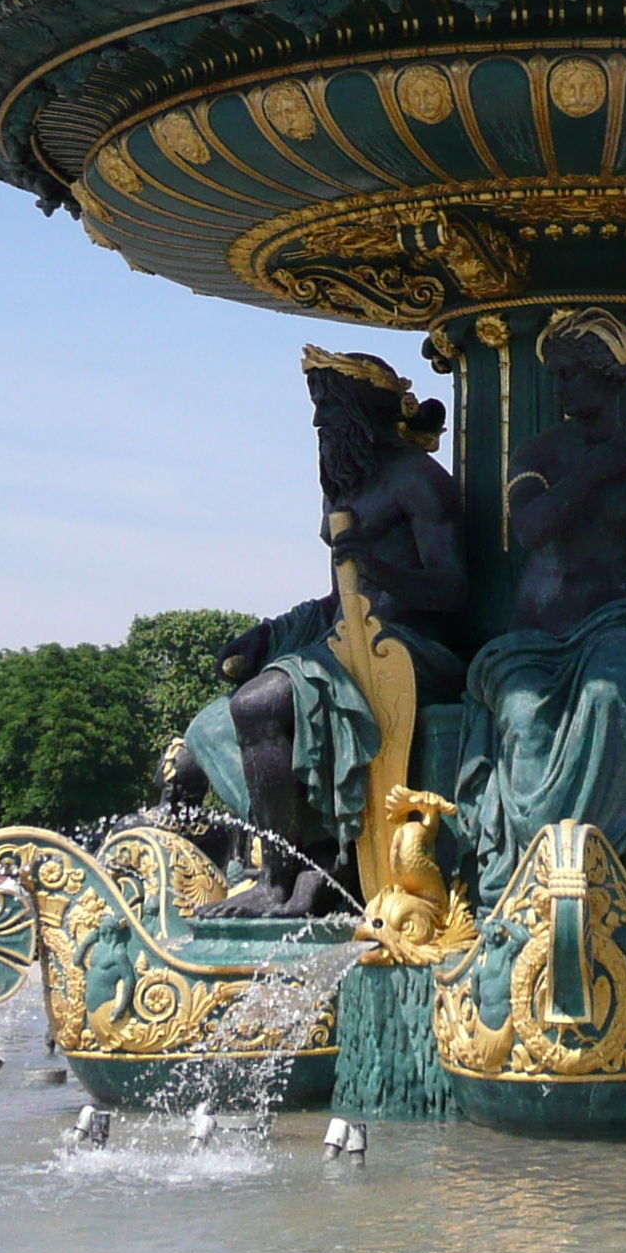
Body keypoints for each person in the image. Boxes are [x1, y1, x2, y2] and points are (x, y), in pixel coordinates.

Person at [175, 347, 469, 916]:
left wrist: (379, 566)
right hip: (346, 650)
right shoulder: (343, 488)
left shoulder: (418, 482)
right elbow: (338, 601)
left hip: (412, 654)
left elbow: (454, 591)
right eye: (316, 413)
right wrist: (269, 635)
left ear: (365, 416)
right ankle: (320, 862)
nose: (318, 427)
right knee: (219, 722)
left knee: (260, 705)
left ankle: (279, 882)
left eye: (328, 412)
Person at [453, 309, 626, 898]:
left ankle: (607, 864)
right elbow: (530, 529)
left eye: (571, 374)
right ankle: (535, 870)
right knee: (521, 716)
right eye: (554, 374)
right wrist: (597, 469)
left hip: (621, 623)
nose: (558, 387)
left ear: (610, 377)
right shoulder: (534, 456)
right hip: (537, 635)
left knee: (608, 695)